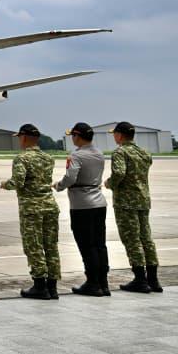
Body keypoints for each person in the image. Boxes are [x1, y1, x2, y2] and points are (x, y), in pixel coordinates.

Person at [1, 123, 61, 300]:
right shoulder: (48, 158)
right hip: (49, 206)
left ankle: (40, 286)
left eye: (19, 137)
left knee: (34, 246)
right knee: (50, 246)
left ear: (24, 137)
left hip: (32, 208)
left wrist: (6, 185)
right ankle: (53, 287)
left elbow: (18, 181)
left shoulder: (22, 158)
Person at [105, 121, 162, 293]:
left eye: (115, 134)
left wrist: (110, 183)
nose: (114, 136)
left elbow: (120, 173)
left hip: (126, 203)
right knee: (146, 239)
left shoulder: (120, 152)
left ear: (120, 135)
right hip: (143, 200)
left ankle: (140, 279)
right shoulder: (144, 153)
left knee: (132, 239)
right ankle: (153, 279)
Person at [54, 122, 109, 296]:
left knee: (87, 245)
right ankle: (103, 282)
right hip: (99, 203)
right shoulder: (99, 154)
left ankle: (93, 283)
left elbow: (71, 177)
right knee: (100, 245)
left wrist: (59, 185)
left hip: (82, 205)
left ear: (78, 136)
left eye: (73, 136)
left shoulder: (76, 156)